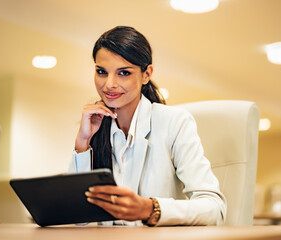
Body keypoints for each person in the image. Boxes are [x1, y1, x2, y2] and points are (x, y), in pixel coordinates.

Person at [69, 26, 226, 226]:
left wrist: (150, 209)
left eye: (123, 73)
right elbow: (77, 218)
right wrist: (83, 143)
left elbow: (214, 209)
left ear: (146, 74)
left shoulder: (174, 122)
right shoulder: (94, 126)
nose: (109, 84)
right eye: (101, 71)